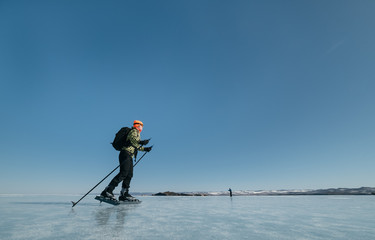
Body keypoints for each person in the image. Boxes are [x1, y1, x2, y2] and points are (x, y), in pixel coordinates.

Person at [101, 120, 152, 201]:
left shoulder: (137, 133)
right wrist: (141, 142)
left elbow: (135, 145)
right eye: (141, 126)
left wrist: (145, 149)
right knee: (123, 173)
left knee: (129, 175)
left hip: (129, 155)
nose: (141, 127)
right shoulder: (134, 131)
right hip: (126, 153)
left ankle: (124, 193)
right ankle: (108, 190)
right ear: (137, 125)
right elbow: (133, 140)